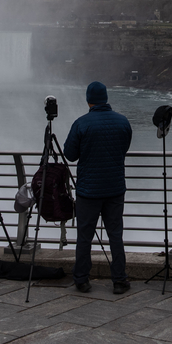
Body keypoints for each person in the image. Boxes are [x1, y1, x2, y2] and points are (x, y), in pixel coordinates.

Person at [62, 81, 132, 294]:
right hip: (114, 189)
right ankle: (119, 280)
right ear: (106, 98)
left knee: (85, 236)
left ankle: (82, 279)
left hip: (88, 192)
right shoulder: (122, 122)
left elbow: (70, 155)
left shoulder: (81, 124)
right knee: (115, 235)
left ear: (88, 100)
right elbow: (124, 148)